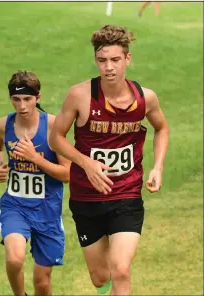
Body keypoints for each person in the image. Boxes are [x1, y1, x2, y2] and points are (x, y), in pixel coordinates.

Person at [49, 25, 169, 295]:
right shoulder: (80, 95)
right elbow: (56, 138)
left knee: (121, 270)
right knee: (101, 278)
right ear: (96, 61)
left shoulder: (145, 98)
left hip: (126, 194)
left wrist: (158, 167)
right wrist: (85, 162)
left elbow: (162, 128)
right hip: (86, 198)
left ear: (127, 59)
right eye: (102, 61)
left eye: (115, 60)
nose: (109, 68)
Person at [0, 71, 70, 296]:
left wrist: (35, 159)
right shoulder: (2, 125)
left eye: (27, 99)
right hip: (15, 206)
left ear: (38, 98)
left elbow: (68, 174)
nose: (22, 105)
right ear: (10, 99)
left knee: (42, 283)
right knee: (14, 259)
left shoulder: (53, 126)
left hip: (47, 210)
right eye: (16, 99)